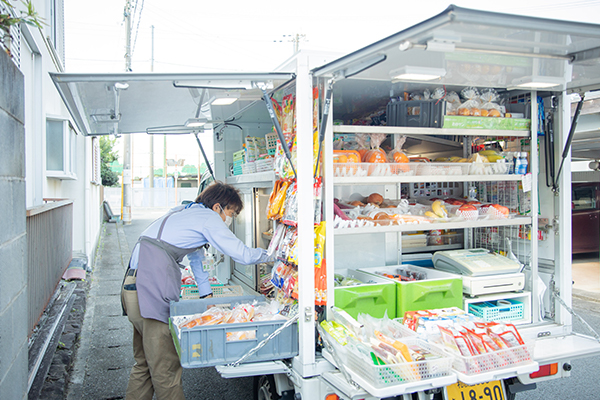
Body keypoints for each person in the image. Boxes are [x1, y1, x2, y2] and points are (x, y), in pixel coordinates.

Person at [120, 181, 272, 400]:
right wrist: (275, 254)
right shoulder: (208, 218)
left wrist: (206, 297)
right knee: (166, 368)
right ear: (218, 206)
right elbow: (242, 255)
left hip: (132, 289)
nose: (228, 220)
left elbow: (196, 258)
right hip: (149, 292)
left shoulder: (184, 210)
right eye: (230, 213)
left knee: (144, 363)